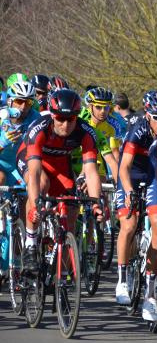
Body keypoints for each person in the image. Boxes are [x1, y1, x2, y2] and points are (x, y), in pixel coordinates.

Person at [17, 89, 104, 265]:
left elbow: (91, 171)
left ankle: (60, 270)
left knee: (70, 211)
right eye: (60, 119)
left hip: (60, 164)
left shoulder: (86, 132)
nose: (65, 124)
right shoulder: (39, 129)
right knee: (42, 184)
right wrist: (34, 205)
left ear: (77, 117)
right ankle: (31, 243)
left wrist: (96, 203)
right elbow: (34, 174)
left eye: (70, 119)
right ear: (52, 115)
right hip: (32, 160)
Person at [114, 92, 157, 314]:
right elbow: (124, 166)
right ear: (147, 116)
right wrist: (128, 190)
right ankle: (122, 279)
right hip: (131, 175)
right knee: (129, 225)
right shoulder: (137, 130)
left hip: (154, 177)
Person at [70, 87, 120, 183]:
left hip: (95, 159)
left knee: (100, 182)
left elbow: (114, 155)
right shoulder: (80, 118)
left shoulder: (114, 124)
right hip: (73, 156)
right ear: (89, 106)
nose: (103, 111)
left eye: (106, 107)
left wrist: (120, 185)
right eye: (98, 107)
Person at [0, 81, 40, 186]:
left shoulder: (36, 118)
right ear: (9, 101)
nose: (23, 107)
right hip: (1, 164)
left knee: (34, 184)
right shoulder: (1, 117)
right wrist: (2, 143)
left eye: (28, 102)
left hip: (20, 165)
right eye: (19, 101)